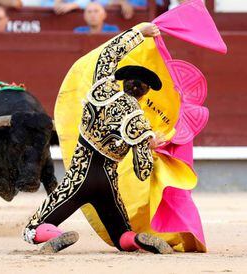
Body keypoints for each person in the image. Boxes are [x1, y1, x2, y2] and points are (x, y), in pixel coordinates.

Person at [23, 23, 174, 254]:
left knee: (33, 230)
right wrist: (149, 144)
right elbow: (142, 171)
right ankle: (135, 240)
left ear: (123, 83)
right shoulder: (140, 123)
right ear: (144, 93)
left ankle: (57, 234)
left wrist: (138, 33)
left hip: (79, 177)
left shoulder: (101, 90)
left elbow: (107, 54)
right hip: (108, 183)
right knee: (121, 236)